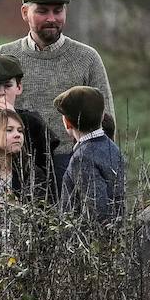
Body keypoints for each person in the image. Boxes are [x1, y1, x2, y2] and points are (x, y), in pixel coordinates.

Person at [0, 0, 115, 183]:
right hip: (16, 169)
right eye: (42, 11)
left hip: (74, 165)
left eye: (58, 11)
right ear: (24, 12)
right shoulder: (3, 56)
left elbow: (107, 121)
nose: (51, 18)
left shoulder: (87, 58)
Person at [0, 54, 59, 201]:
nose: (1, 92)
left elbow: (46, 168)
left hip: (29, 204)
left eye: (8, 86)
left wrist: (13, 122)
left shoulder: (33, 122)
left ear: (19, 87)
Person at [54, 86, 126, 223]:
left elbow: (99, 212)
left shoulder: (82, 158)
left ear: (68, 123)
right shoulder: (113, 148)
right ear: (103, 115)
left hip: (89, 242)